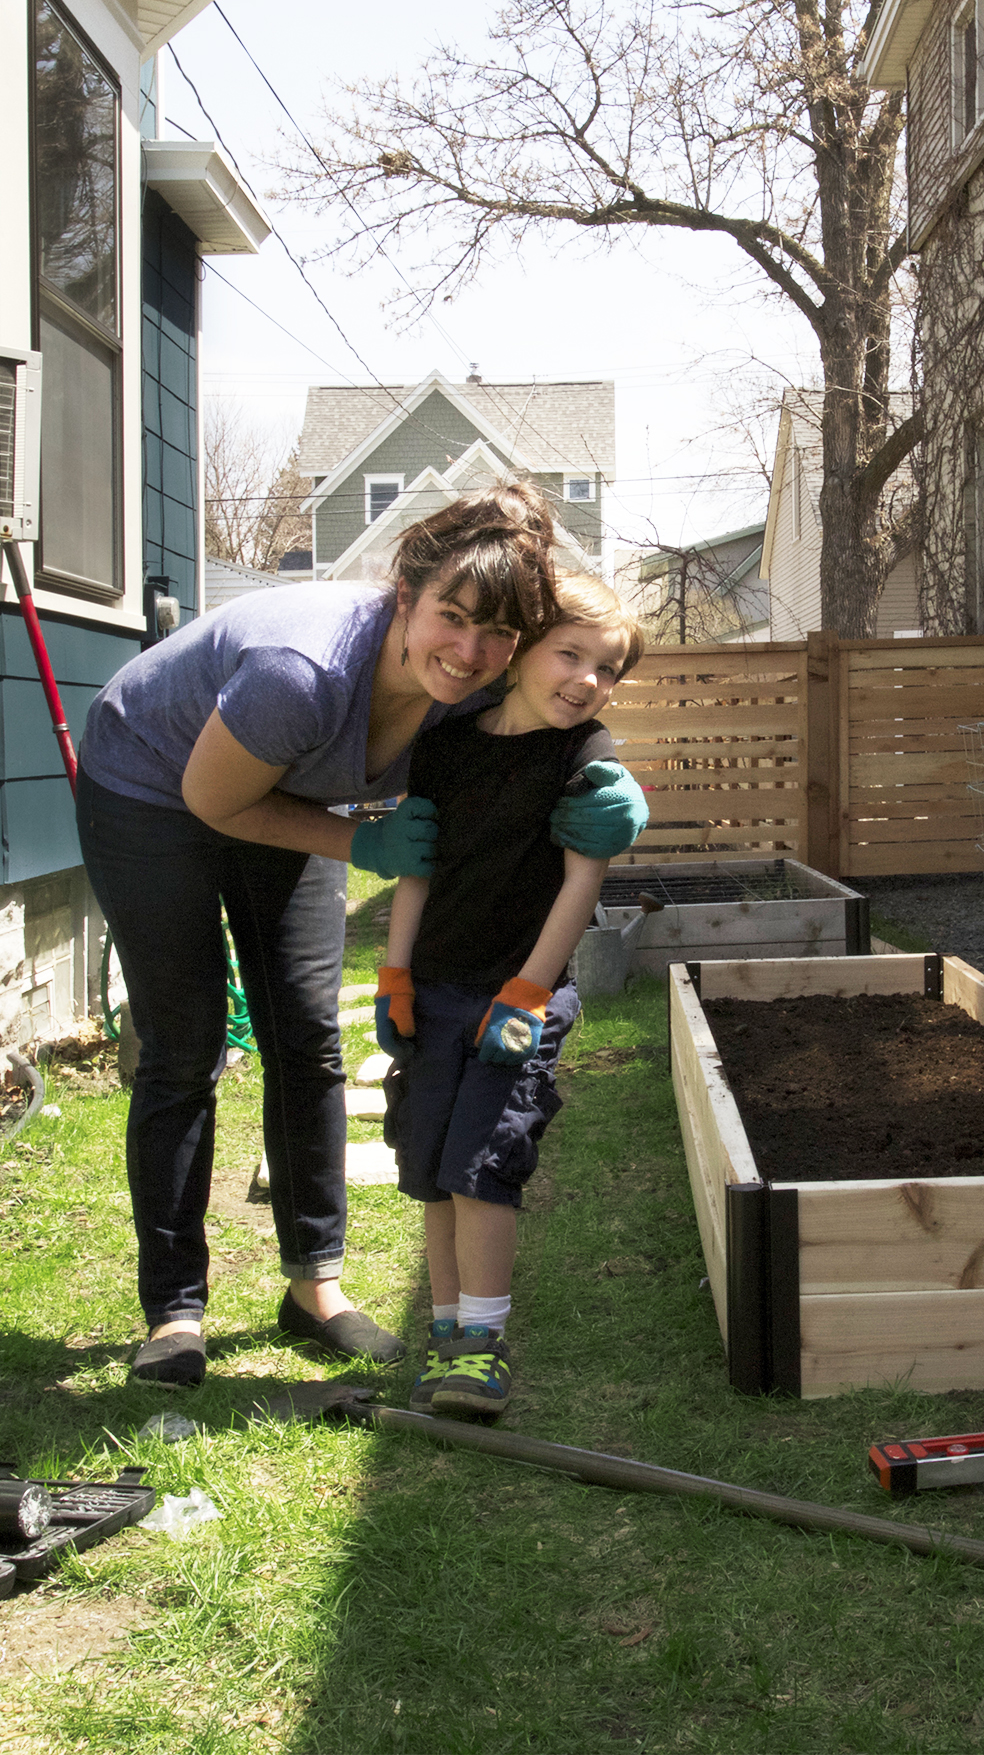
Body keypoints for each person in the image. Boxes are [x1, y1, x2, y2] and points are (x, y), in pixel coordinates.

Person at [75, 485, 649, 1390]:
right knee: (184, 1046)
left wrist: (614, 783)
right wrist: (361, 839)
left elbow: (550, 723)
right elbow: (215, 801)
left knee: (304, 1036)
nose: (469, 653)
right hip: (153, 787)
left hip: (287, 788)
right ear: (402, 598)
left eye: (495, 634)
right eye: (451, 619)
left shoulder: (474, 686)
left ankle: (315, 1289)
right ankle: (175, 1312)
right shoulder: (299, 674)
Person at [372, 572, 645, 1420]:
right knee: (430, 1166)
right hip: (437, 990)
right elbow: (420, 867)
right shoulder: (445, 747)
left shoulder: (583, 756)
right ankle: (446, 1337)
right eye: (573, 655)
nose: (589, 681)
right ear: (522, 650)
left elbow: (579, 886)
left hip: (517, 1000)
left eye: (608, 669)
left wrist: (529, 993)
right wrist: (393, 972)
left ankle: (481, 1352)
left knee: (483, 1165)